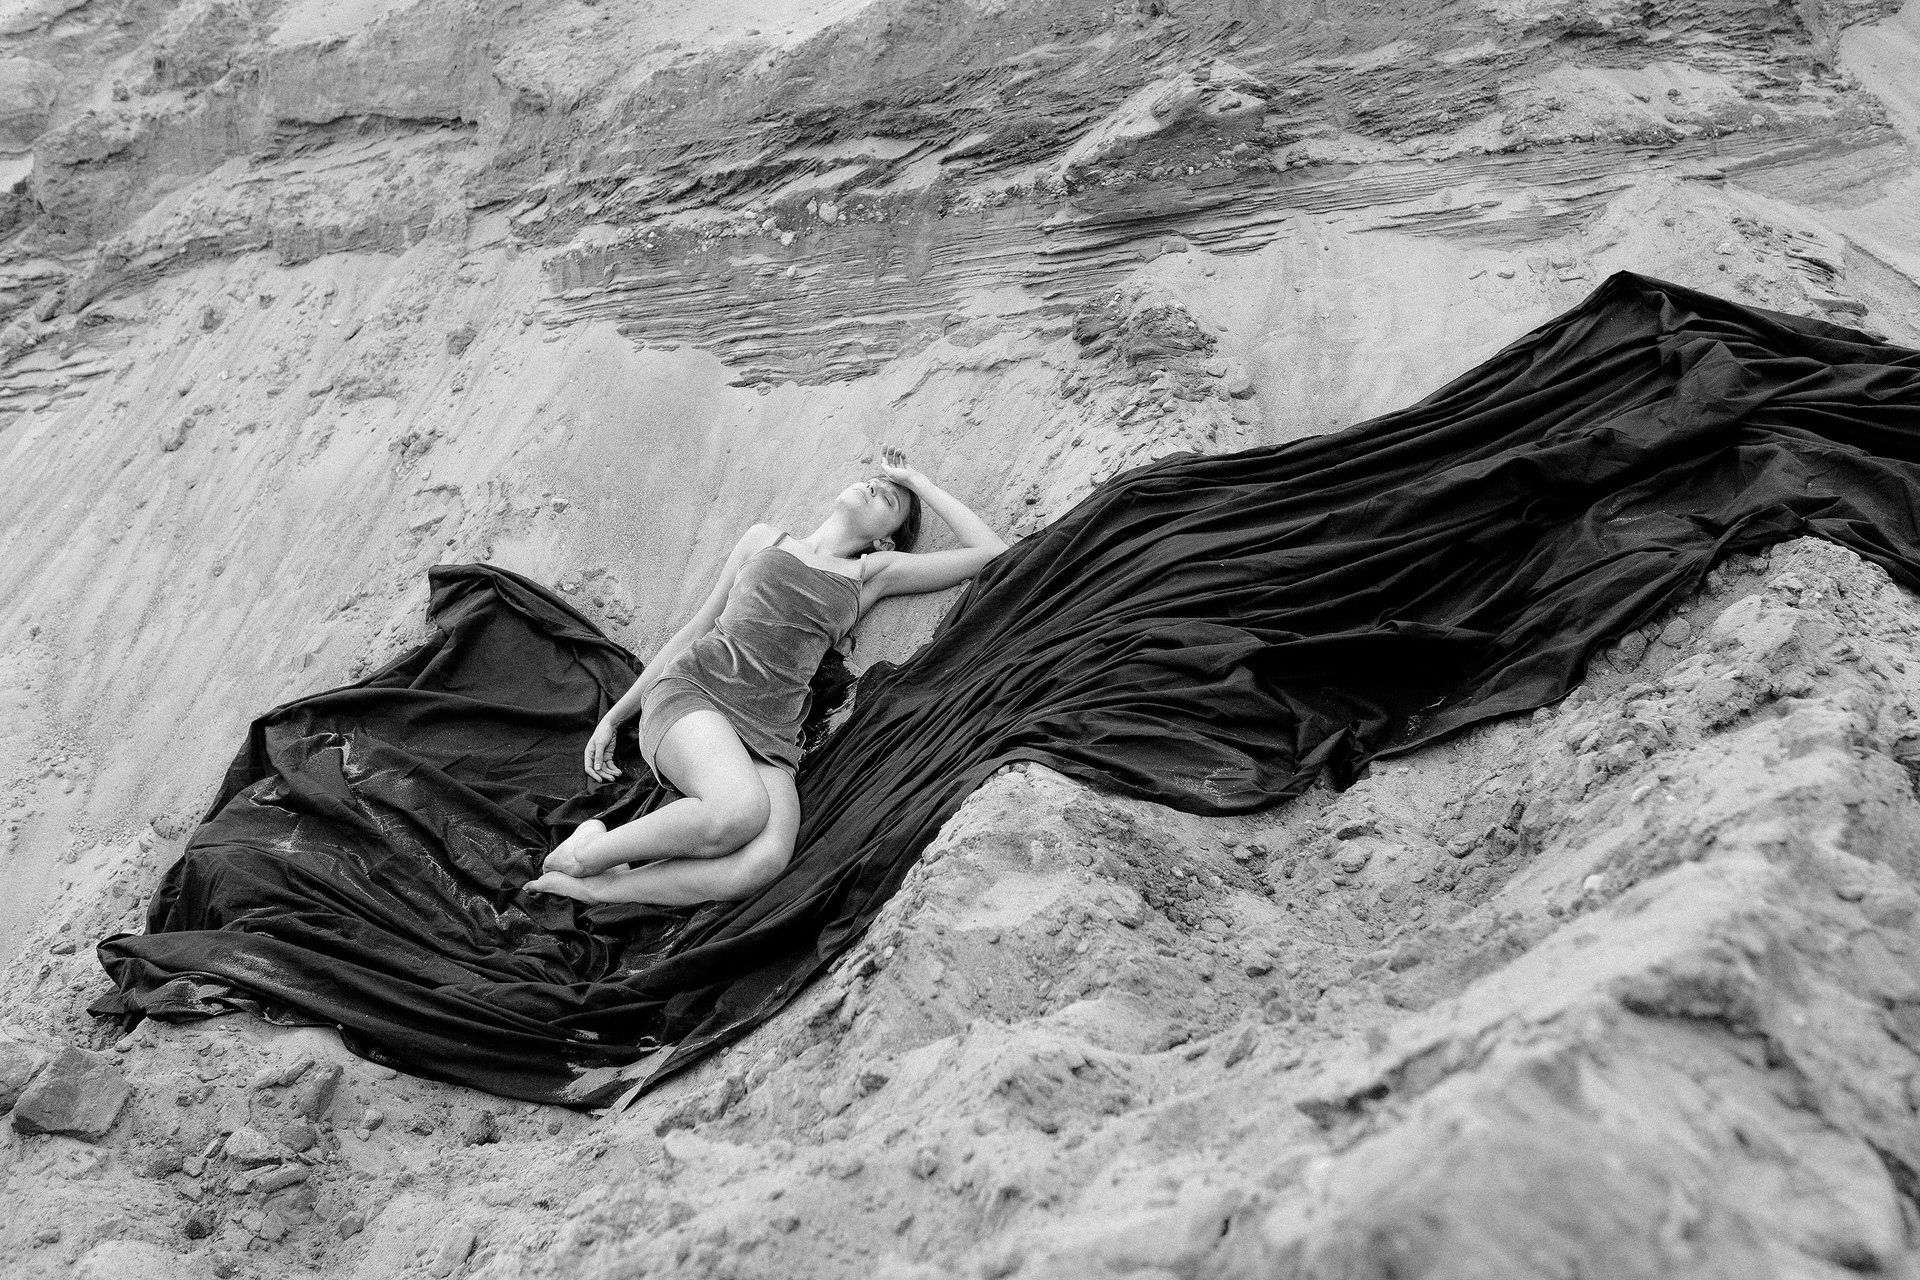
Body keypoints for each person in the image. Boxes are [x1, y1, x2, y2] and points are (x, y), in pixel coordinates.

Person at [525, 447, 1008, 906]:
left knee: (765, 861)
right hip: (696, 693)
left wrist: (916, 481)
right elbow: (694, 629)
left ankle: (603, 889)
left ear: (885, 540)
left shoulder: (871, 574)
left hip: (772, 733)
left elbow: (990, 551)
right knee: (738, 811)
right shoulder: (764, 539)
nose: (874, 487)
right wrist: (615, 717)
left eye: (889, 498)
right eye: (873, 481)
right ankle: (586, 854)